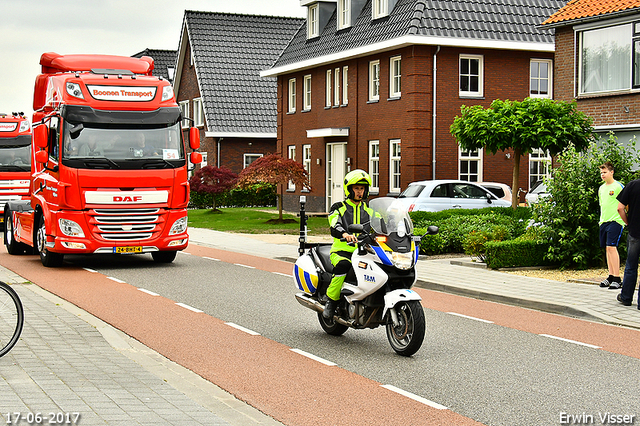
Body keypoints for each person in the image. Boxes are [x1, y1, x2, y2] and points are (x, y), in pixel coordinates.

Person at [323, 170, 374, 319]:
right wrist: (345, 234)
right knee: (343, 265)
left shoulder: (370, 211)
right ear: (349, 189)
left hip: (364, 252)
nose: (360, 191)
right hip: (342, 251)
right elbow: (334, 225)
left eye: (362, 188)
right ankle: (331, 301)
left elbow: (382, 225)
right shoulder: (338, 207)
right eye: (357, 188)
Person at [598, 162, 625, 289]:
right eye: (601, 173)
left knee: (612, 247)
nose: (602, 175)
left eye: (605, 172)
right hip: (604, 221)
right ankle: (610, 275)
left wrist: (624, 219)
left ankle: (617, 278)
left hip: (616, 221)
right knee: (607, 249)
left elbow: (626, 203)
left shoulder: (618, 186)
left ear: (611, 172)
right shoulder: (601, 188)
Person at [616, 177, 640, 308]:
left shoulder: (632, 185)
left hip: (635, 232)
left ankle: (626, 297)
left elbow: (620, 208)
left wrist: (628, 222)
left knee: (631, 266)